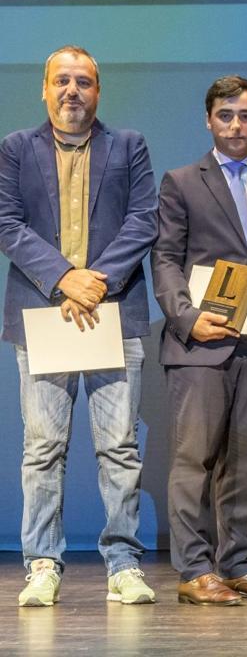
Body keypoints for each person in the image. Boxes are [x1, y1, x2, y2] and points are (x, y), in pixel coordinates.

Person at [0, 46, 158, 607]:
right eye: (62, 81)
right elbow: (6, 222)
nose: (73, 90)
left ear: (98, 91)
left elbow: (145, 219)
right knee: (43, 449)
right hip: (44, 312)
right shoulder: (16, 149)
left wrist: (97, 280)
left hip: (113, 311)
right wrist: (66, 278)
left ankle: (123, 564)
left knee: (119, 447)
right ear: (44, 89)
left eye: (84, 81)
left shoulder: (128, 145)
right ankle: (43, 564)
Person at [152, 75, 247, 605]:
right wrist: (187, 318)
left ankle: (237, 564)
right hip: (199, 343)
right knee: (195, 460)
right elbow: (165, 258)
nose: (235, 125)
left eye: (246, 116)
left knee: (246, 460)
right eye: (225, 115)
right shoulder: (181, 181)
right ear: (208, 120)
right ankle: (194, 571)